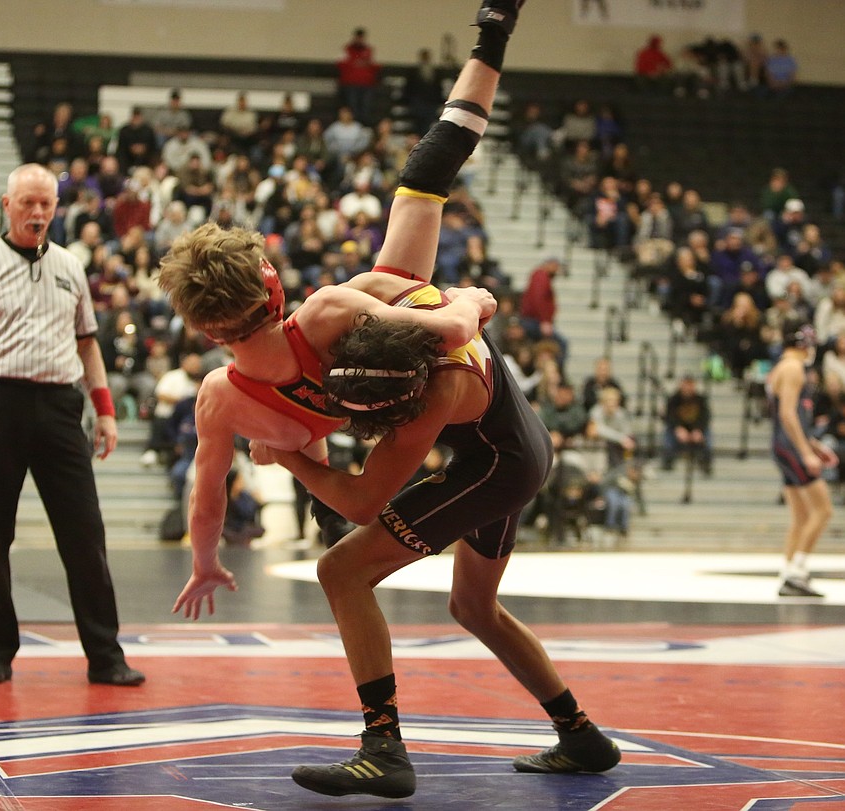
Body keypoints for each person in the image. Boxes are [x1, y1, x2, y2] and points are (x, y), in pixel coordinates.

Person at [172, 3, 619, 798]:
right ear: (273, 283)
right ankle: (581, 735)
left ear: (208, 331)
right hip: (488, 422)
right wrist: (472, 302)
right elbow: (444, 286)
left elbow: (355, 494)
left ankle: (385, 747)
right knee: (473, 608)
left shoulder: (379, 379)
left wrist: (286, 464)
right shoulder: (348, 306)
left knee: (343, 570)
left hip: (490, 446)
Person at [0, 163, 145, 688]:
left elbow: (88, 345)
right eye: (28, 203)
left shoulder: (71, 267)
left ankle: (106, 656)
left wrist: (106, 411)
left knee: (85, 534)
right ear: (7, 205)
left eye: (46, 204)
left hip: (58, 408)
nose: (38, 213)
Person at [767, 325, 836, 597]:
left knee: (801, 515)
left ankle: (789, 572)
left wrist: (812, 444)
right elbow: (788, 414)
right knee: (823, 510)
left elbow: (792, 415)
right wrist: (805, 451)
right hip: (790, 447)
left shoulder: (781, 367)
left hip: (784, 445)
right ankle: (797, 571)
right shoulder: (793, 368)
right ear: (804, 344)